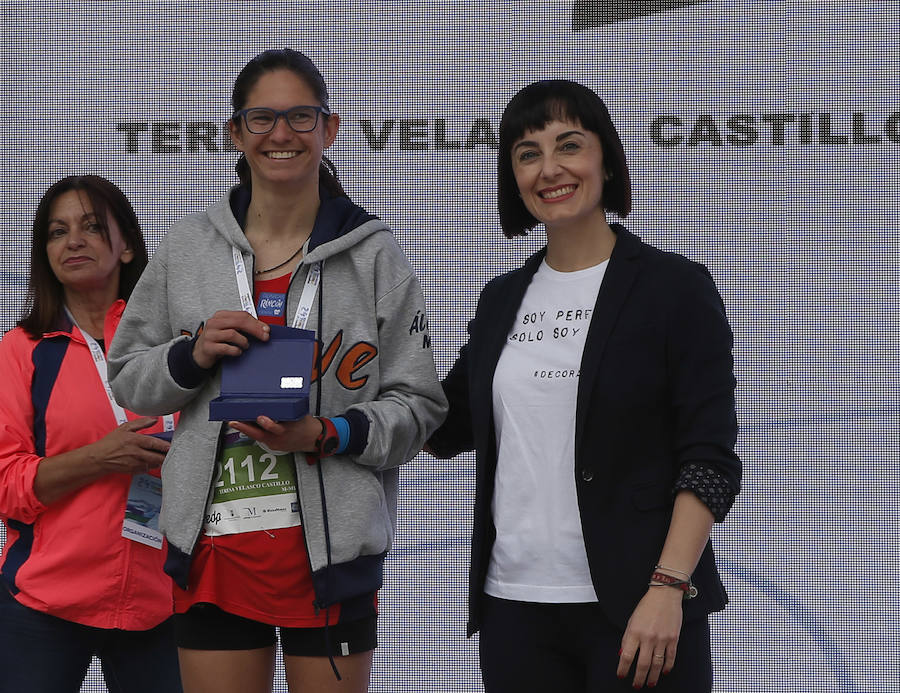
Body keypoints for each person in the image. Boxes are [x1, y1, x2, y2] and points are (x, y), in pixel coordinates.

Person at [107, 48, 447, 693]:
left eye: (300, 116)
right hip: (215, 554)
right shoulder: (188, 247)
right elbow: (128, 375)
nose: (281, 134)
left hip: (329, 558)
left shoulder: (375, 255)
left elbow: (420, 406)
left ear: (330, 128)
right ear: (235, 133)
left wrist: (328, 433)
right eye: (261, 118)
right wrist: (192, 353)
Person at [427, 80, 741, 692]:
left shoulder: (675, 289)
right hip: (514, 610)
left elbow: (709, 459)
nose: (550, 169)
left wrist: (667, 589)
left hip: (640, 612)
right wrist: (345, 385)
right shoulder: (500, 300)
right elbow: (447, 422)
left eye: (568, 145)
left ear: (604, 157)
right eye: (527, 153)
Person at [0, 175, 182, 693]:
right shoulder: (20, 350)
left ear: (127, 246)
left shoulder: (173, 346)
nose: (73, 241)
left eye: (92, 227)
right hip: (43, 607)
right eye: (57, 232)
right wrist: (101, 458)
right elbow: (5, 485)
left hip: (163, 602)